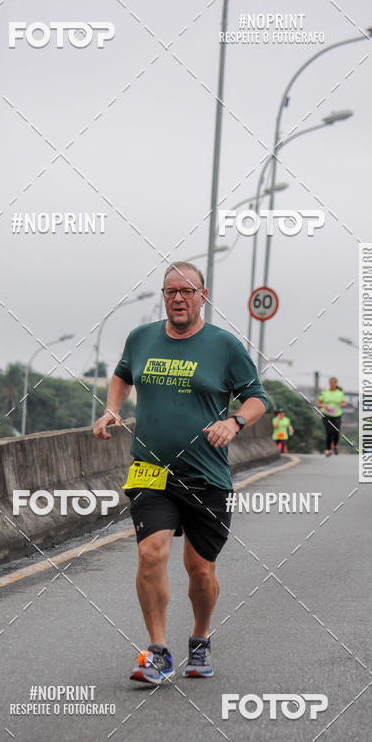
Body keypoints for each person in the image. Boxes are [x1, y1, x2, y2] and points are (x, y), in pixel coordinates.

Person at [93, 261, 268, 684]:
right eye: (171, 291)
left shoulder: (224, 347)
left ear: (202, 297)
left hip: (206, 476)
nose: (178, 298)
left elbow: (257, 399)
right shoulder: (142, 338)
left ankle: (201, 638)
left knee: (199, 569)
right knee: (150, 552)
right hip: (150, 470)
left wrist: (234, 422)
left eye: (187, 291)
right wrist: (112, 410)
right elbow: (121, 376)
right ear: (164, 296)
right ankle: (157, 651)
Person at [317, 377, 345, 456]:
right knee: (329, 432)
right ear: (329, 383)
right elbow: (318, 404)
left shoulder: (340, 393)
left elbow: (343, 403)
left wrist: (341, 404)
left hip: (337, 415)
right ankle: (328, 450)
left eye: (334, 382)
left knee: (336, 432)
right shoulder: (325, 393)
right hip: (326, 415)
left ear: (336, 384)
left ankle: (335, 445)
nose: (332, 384)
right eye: (331, 382)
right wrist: (323, 405)